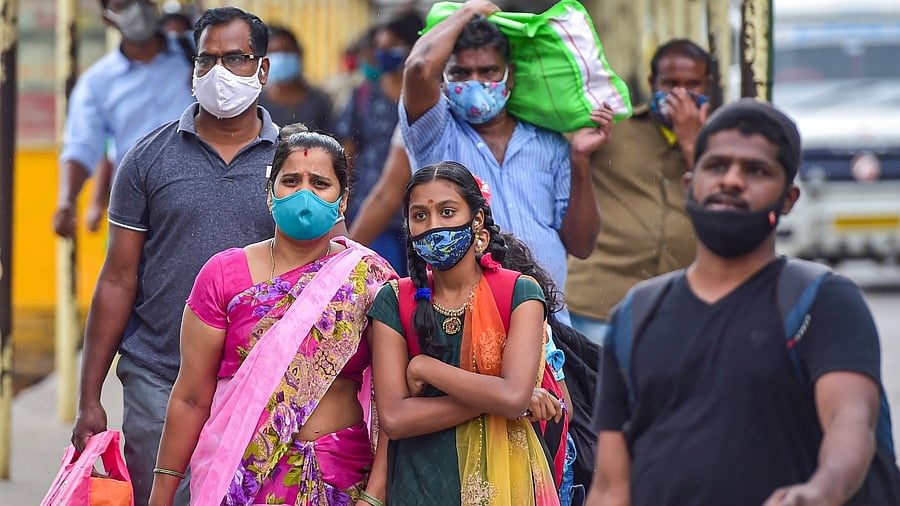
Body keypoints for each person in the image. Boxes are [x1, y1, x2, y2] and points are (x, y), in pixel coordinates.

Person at [587, 99, 900, 506]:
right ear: (689, 186)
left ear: (788, 199)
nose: (732, 180)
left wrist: (820, 492)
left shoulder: (821, 301)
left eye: (756, 171)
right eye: (717, 166)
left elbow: (851, 422)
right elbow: (612, 486)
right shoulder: (636, 315)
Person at [70, 7, 278, 505]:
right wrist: (89, 398)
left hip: (260, 382)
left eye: (236, 59)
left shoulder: (295, 163)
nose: (219, 73)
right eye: (207, 60)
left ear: (263, 70)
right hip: (157, 377)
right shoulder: (147, 158)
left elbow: (328, 273)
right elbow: (118, 280)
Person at [148, 125, 397, 506]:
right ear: (270, 193)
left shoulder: (369, 279)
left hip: (342, 478)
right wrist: (162, 493)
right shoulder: (223, 275)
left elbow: (391, 403)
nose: (304, 194)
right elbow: (190, 397)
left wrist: (376, 495)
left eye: (320, 183)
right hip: (241, 478)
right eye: (291, 180)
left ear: (342, 202)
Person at [400, 1, 613, 324]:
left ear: (509, 77)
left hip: (549, 322)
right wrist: (471, 10)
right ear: (444, 81)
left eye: (487, 72)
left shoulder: (549, 143)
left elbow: (582, 246)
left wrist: (580, 159)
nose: (474, 83)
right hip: (464, 321)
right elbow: (418, 68)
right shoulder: (436, 133)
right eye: (460, 73)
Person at [369, 161, 563, 505]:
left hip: (507, 483)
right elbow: (396, 419)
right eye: (419, 216)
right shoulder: (394, 301)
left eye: (447, 212)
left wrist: (426, 369)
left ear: (477, 221)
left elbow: (514, 397)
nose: (433, 226)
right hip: (421, 485)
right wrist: (497, 400)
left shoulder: (520, 294)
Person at [565, 39, 713, 343]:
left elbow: (719, 206)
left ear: (708, 85)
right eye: (670, 83)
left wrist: (690, 144)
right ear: (651, 83)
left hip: (679, 311)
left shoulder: (721, 144)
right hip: (600, 306)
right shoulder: (615, 130)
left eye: (692, 84)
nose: (680, 94)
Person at [53, 0, 194, 237]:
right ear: (107, 18)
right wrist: (67, 201)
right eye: (123, 5)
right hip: (140, 211)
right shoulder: (97, 83)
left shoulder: (198, 53)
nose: (136, 10)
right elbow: (81, 147)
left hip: (202, 194)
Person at [333, 12, 423, 277]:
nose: (384, 53)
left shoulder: (426, 98)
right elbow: (346, 152)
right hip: (372, 207)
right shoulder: (364, 94)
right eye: (380, 47)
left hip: (422, 213)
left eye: (392, 46)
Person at [259, 25, 334, 131]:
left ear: (299, 54)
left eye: (286, 51)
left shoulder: (319, 101)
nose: (281, 58)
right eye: (274, 52)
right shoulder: (258, 104)